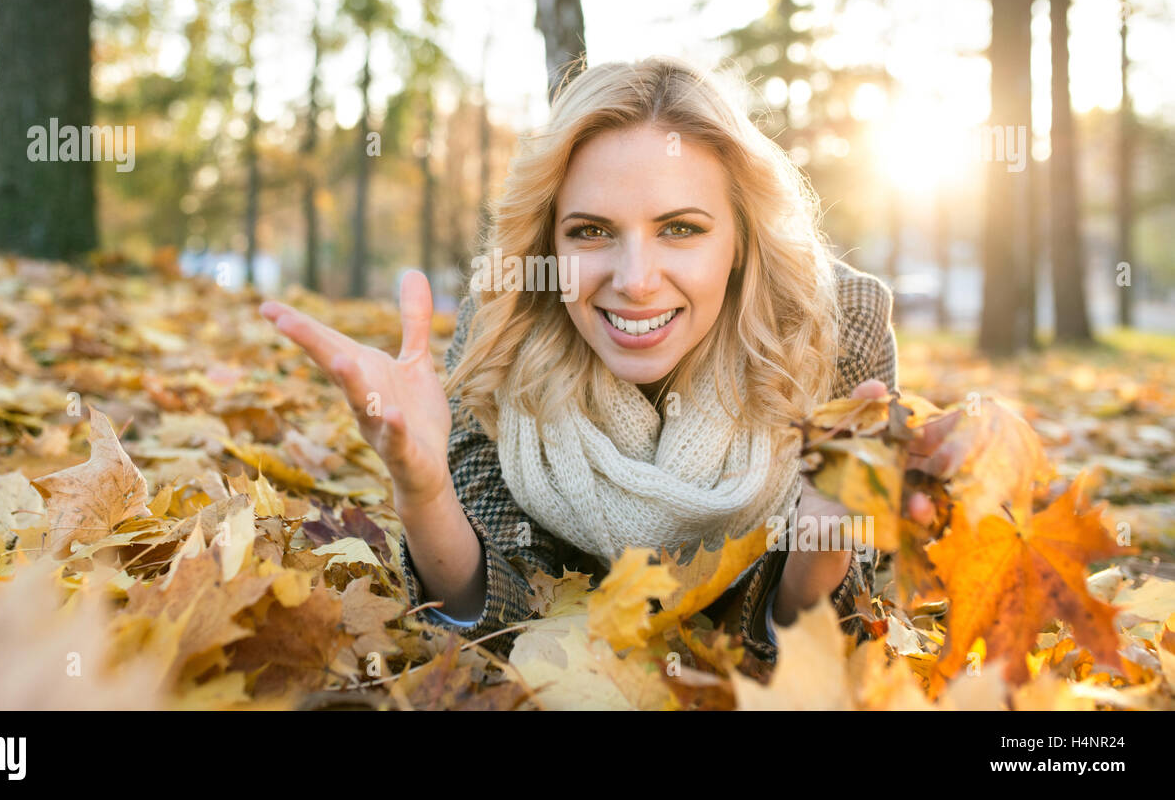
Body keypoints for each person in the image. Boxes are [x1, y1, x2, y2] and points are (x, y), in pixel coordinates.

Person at [261, 54, 900, 664]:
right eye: (590, 231)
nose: (636, 280)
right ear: (547, 242)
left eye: (680, 228)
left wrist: (821, 551)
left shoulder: (839, 325)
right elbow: (499, 634)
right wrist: (424, 495)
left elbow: (828, 653)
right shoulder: (504, 331)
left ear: (740, 239)